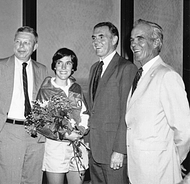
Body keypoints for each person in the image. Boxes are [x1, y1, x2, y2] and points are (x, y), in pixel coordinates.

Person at [0, 26, 48, 184]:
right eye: (18, 42)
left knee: (33, 180)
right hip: (8, 133)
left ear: (35, 47)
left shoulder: (41, 70)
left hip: (36, 134)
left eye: (26, 43)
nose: (21, 46)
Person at [126, 19, 190, 184]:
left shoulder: (167, 76)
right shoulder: (140, 75)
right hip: (137, 167)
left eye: (140, 38)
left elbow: (184, 129)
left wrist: (173, 158)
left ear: (156, 42)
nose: (134, 44)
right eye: (132, 39)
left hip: (159, 169)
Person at [86, 22, 138, 184]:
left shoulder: (126, 68)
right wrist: (88, 139)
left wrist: (120, 150)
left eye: (102, 37)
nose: (96, 41)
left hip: (113, 151)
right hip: (95, 148)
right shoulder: (95, 68)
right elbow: (92, 108)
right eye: (94, 38)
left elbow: (127, 112)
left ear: (115, 39)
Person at [36, 48, 89, 184]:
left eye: (68, 63)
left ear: (73, 67)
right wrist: (65, 134)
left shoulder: (76, 88)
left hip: (78, 144)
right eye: (60, 63)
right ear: (54, 66)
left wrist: (81, 130)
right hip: (56, 147)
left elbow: (85, 113)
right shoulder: (46, 90)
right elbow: (39, 122)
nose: (64, 67)